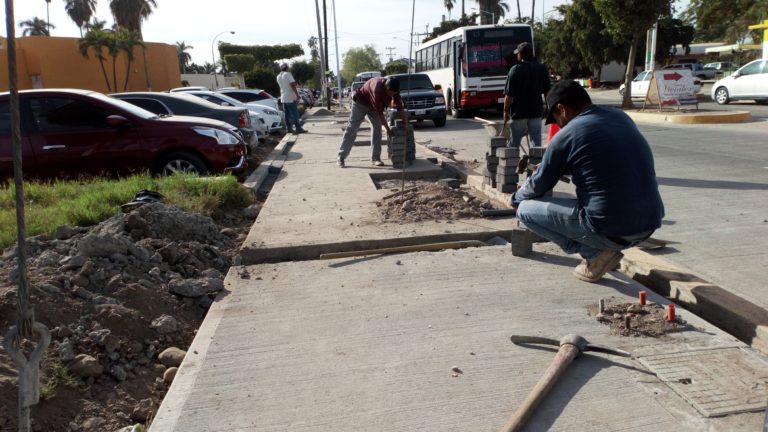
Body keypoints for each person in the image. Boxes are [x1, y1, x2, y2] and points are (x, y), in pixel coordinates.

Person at [511, 80, 665, 283]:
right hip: (649, 224)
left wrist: (515, 197)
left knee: (525, 210)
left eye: (556, 118)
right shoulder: (620, 116)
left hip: (613, 230)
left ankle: (594, 255)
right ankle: (605, 250)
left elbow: (540, 184)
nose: (557, 125)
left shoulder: (566, 135)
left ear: (561, 109)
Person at [336, 76, 408, 168]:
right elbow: (380, 114)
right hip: (360, 103)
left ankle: (375, 158)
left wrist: (405, 122)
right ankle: (341, 157)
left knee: (377, 128)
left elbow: (400, 107)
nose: (391, 95)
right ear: (386, 88)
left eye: (393, 93)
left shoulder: (394, 88)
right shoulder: (377, 88)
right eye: (390, 93)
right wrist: (388, 130)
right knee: (352, 128)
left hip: (373, 107)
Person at [503, 42, 551, 148]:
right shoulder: (541, 68)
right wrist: (548, 107)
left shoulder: (515, 70)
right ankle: (536, 163)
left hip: (519, 113)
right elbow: (547, 92)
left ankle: (512, 164)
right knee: (536, 144)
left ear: (520, 54)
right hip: (536, 113)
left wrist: (506, 111)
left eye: (517, 53)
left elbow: (509, 95)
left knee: (514, 144)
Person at [276, 63, 306, 134]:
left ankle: (289, 129)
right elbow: (292, 85)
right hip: (290, 97)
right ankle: (298, 128)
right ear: (287, 67)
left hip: (283, 98)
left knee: (287, 114)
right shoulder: (288, 74)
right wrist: (297, 95)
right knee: (295, 113)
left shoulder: (278, 76)